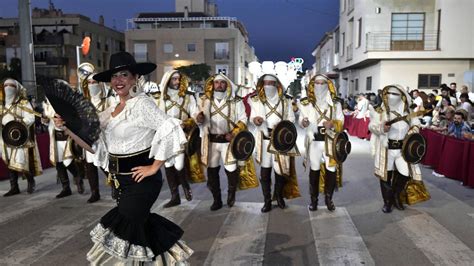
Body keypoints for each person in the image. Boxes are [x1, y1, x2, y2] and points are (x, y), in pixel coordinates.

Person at [55, 51, 193, 264]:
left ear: (135, 78)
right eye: (114, 76)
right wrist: (66, 127)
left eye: (124, 75)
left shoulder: (142, 104)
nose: (118, 81)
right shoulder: (110, 110)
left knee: (127, 225)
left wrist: (154, 167)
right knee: (139, 227)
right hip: (121, 182)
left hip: (142, 181)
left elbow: (170, 127)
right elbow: (92, 144)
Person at [369, 85, 430, 213]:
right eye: (388, 94)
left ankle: (396, 195)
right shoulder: (379, 111)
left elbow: (416, 125)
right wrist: (382, 128)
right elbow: (372, 126)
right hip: (386, 148)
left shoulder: (408, 112)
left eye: (395, 94)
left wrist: (411, 132)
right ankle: (387, 202)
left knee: (405, 174)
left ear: (402, 96)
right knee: (386, 176)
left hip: (403, 149)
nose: (391, 97)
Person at [195, 73, 247, 211]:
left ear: (227, 85)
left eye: (222, 83)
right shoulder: (204, 101)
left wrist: (234, 133)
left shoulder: (236, 101)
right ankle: (216, 199)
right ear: (213, 85)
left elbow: (243, 119)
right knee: (212, 171)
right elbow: (197, 117)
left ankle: (231, 194)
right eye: (216, 83)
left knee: (231, 169)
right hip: (211, 141)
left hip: (229, 142)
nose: (219, 85)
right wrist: (198, 119)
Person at [249, 74, 300, 213]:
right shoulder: (256, 100)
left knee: (280, 171)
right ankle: (266, 201)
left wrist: (283, 126)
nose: (268, 86)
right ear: (261, 84)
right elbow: (252, 117)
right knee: (265, 173)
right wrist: (256, 120)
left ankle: (278, 196)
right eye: (265, 83)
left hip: (280, 140)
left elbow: (291, 119)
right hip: (264, 140)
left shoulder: (285, 101)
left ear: (277, 85)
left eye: (271, 83)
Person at [155, 70, 203, 208]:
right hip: (165, 135)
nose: (177, 82)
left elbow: (194, 113)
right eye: (174, 79)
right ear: (168, 80)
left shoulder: (188, 97)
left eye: (178, 79)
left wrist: (195, 118)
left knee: (179, 165)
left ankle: (186, 186)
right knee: (168, 165)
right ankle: (175, 196)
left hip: (182, 135)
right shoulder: (160, 98)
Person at [298, 74, 344, 211]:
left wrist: (333, 123)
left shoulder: (336, 103)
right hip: (314, 141)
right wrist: (303, 122)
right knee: (314, 170)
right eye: (316, 83)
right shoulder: (306, 103)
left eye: (322, 83)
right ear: (312, 85)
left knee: (331, 169)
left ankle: (329, 198)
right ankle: (314, 200)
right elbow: (301, 120)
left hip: (331, 140)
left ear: (328, 85)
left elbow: (341, 121)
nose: (319, 86)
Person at [1, 78, 42, 196]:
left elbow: (30, 117)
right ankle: (14, 187)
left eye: (11, 86)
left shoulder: (23, 103)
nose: (8, 88)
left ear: (17, 88)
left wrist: (19, 124)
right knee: (9, 162)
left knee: (21, 162)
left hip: (20, 137)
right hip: (5, 137)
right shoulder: (2, 103)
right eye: (6, 85)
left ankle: (30, 181)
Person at [81, 69, 117, 203]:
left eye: (94, 82)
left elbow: (114, 115)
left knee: (106, 165)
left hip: (105, 138)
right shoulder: (83, 102)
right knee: (90, 166)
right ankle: (94, 192)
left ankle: (115, 186)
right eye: (89, 83)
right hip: (89, 139)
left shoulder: (109, 100)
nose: (92, 85)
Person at [43, 84, 85, 198]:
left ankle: (77, 177)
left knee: (69, 161)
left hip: (68, 136)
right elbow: (47, 120)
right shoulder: (48, 104)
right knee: (59, 163)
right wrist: (45, 119)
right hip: (55, 137)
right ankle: (66, 188)